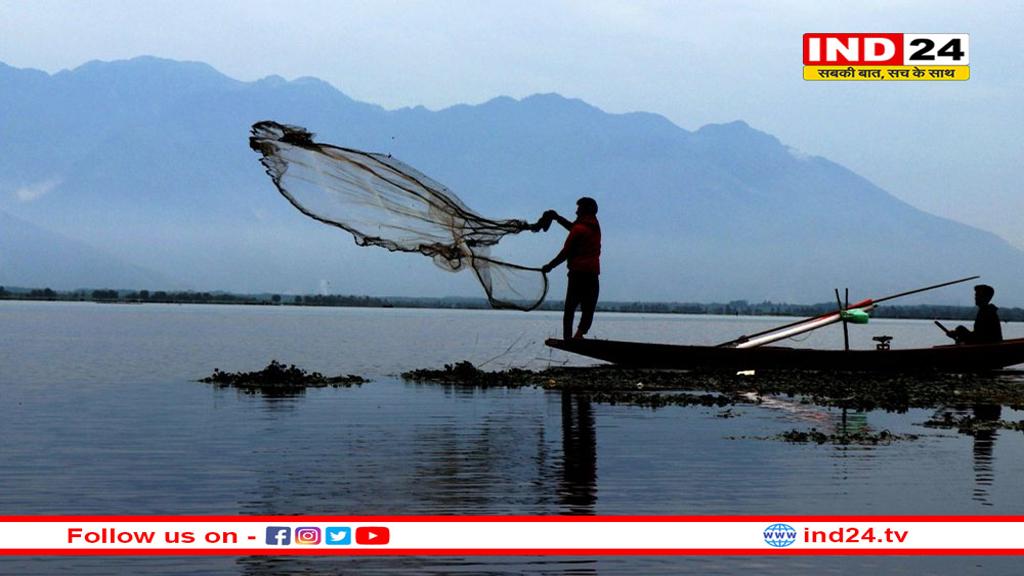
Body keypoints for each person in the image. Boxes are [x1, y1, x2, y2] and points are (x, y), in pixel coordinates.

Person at [540, 197, 601, 340]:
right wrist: (557, 218)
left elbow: (566, 252)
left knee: (570, 307)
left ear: (585, 211)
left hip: (578, 274)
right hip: (592, 274)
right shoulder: (594, 225)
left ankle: (568, 338)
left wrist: (550, 266)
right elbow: (573, 227)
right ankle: (579, 335)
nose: (576, 212)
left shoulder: (579, 229)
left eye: (578, 209)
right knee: (589, 307)